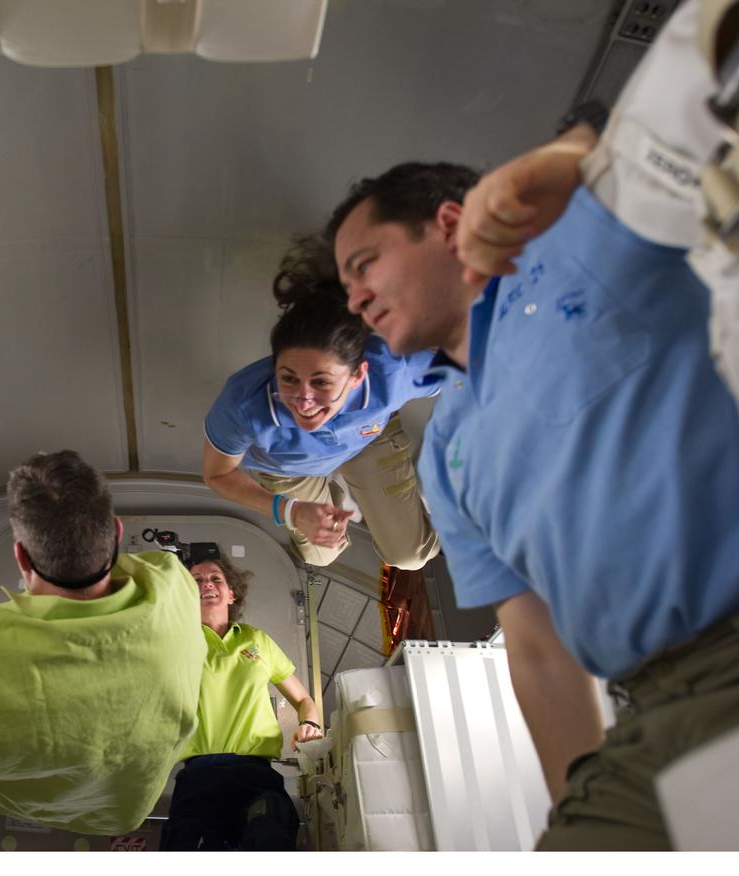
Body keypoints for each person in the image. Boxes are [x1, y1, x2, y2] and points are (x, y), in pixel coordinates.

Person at [326, 3, 739, 845]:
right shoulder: (444, 453)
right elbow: (539, 651)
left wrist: (574, 154)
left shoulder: (584, 239)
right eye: (346, 287)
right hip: (661, 703)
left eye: (364, 265)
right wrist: (575, 804)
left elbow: (704, 64)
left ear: (446, 224)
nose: (355, 297)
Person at [0, 450, 206, 841]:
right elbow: (146, 564)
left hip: (24, 805)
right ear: (117, 533)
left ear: (20, 555)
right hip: (125, 812)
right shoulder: (176, 583)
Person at [202, 237, 440, 569]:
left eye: (321, 382)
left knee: (410, 558)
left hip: (366, 441)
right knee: (321, 557)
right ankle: (330, 495)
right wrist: (290, 511)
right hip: (287, 468)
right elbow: (217, 474)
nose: (303, 400)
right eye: (288, 378)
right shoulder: (242, 405)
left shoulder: (393, 373)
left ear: (358, 376)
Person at [160, 555, 323, 851]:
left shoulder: (256, 640)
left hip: (256, 776)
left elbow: (303, 699)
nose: (206, 584)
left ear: (231, 593)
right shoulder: (172, 643)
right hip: (199, 778)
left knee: (269, 835)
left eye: (215, 578)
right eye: (195, 581)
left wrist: (309, 723)